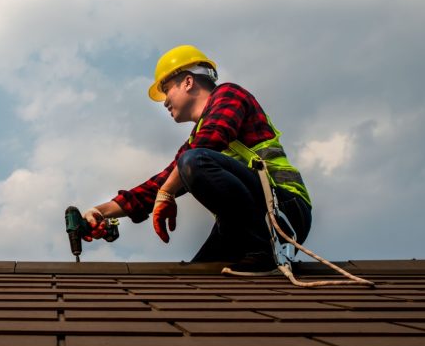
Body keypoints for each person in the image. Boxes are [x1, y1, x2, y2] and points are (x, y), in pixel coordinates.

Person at [82, 45, 312, 276]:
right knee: (197, 278)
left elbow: (208, 144)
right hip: (248, 222)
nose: (164, 102)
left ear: (188, 82)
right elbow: (160, 183)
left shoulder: (230, 94)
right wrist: (100, 211)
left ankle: (263, 254)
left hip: (284, 209)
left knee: (193, 161)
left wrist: (167, 192)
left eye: (167, 89)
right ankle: (257, 256)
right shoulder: (196, 143)